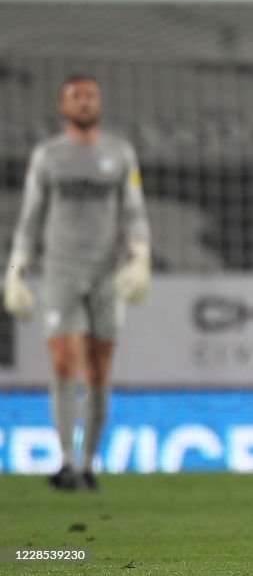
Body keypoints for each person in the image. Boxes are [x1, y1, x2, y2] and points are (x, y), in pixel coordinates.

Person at [4, 74, 152, 491]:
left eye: (89, 95)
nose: (83, 102)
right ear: (62, 106)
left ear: (98, 103)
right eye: (75, 96)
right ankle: (67, 462)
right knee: (64, 363)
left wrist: (140, 258)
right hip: (61, 271)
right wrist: (16, 274)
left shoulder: (118, 153)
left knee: (100, 368)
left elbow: (134, 212)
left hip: (107, 274)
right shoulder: (49, 156)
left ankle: (89, 464)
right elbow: (30, 219)